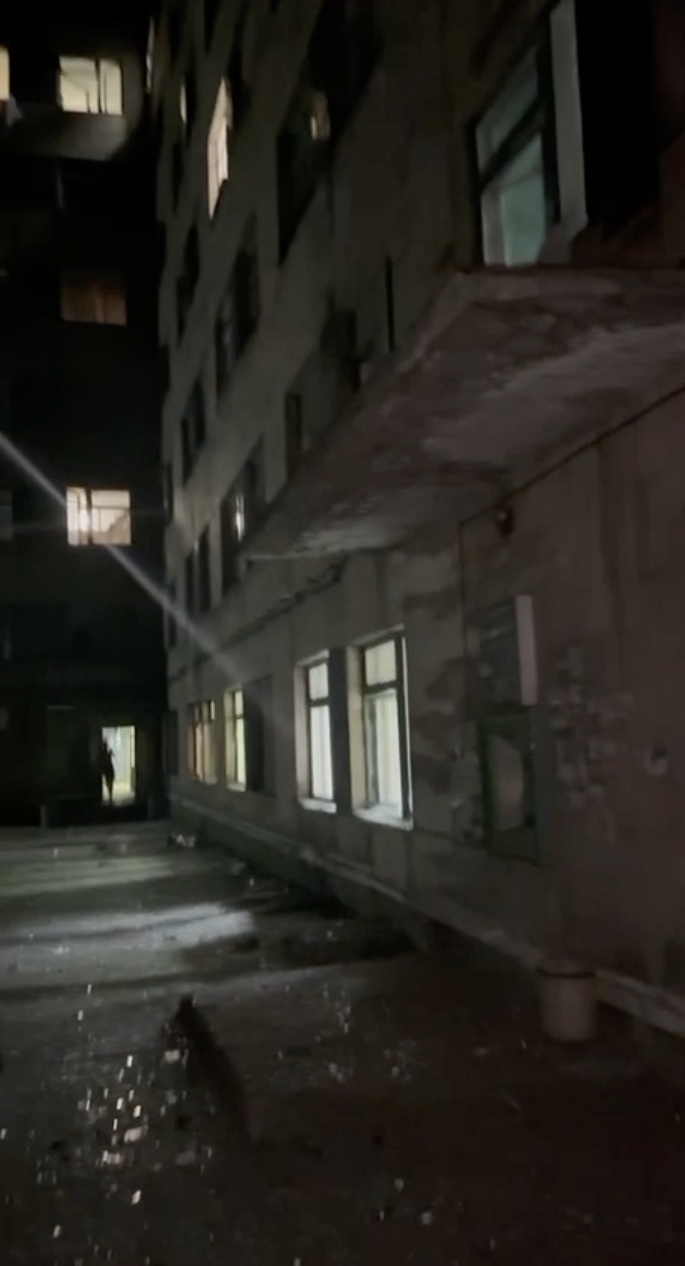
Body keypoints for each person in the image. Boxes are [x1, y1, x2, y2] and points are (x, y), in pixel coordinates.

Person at [98, 739, 115, 805]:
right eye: (105, 745)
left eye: (106, 745)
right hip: (107, 769)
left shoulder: (106, 752)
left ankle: (110, 795)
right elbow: (101, 761)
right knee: (109, 782)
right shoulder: (102, 753)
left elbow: (111, 757)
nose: (106, 746)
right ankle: (110, 795)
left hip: (109, 769)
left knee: (110, 782)